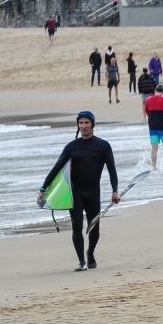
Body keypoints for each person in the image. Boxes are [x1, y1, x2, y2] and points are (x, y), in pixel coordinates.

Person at [37, 111, 121, 271]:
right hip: (75, 193)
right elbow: (56, 169)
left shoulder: (103, 146)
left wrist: (115, 191)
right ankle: (82, 261)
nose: (83, 126)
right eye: (81, 123)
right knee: (77, 226)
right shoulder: (71, 147)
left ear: (92, 124)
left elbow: (112, 170)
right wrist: (44, 188)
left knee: (94, 227)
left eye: (86, 123)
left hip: (93, 192)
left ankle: (90, 254)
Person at [144, 84, 163, 168]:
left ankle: (154, 167)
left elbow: (147, 112)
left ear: (155, 90)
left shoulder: (148, 100)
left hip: (153, 127)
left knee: (154, 148)